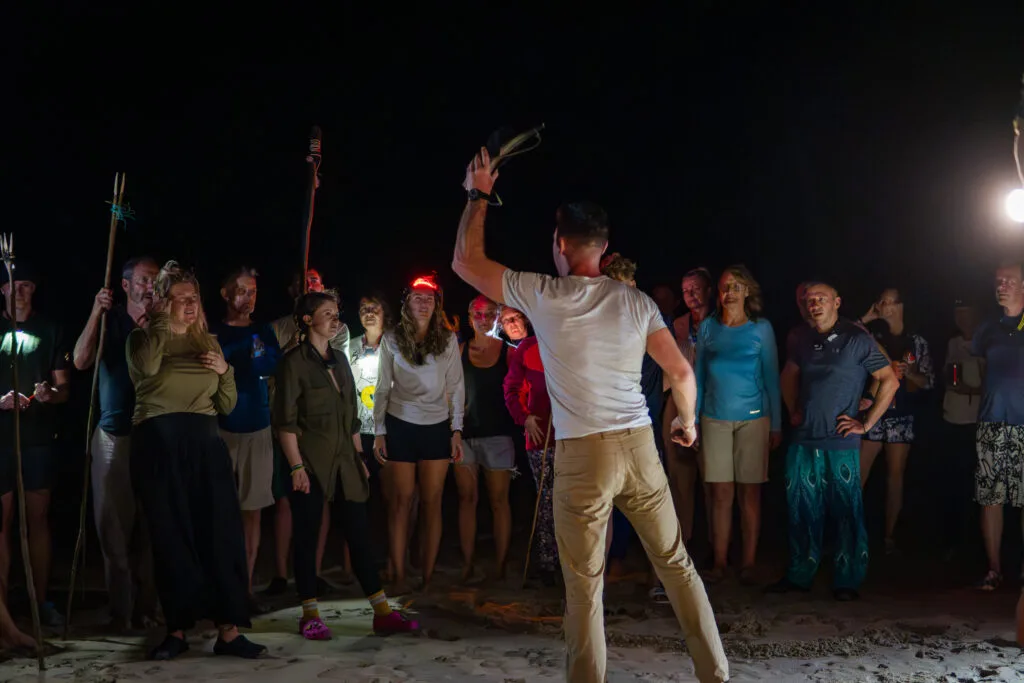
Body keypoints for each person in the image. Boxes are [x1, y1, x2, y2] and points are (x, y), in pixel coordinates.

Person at [453, 146, 728, 683]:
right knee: (676, 566)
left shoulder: (544, 293)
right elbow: (683, 375)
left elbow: (466, 263)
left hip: (582, 456)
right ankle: (714, 673)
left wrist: (477, 194)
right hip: (639, 446)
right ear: (605, 248)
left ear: (560, 245)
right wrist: (687, 421)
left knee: (584, 585)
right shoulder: (637, 302)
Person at [127, 261, 264, 660]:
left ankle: (229, 631)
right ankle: (177, 630)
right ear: (163, 301)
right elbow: (147, 368)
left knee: (220, 535)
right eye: (179, 299)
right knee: (172, 537)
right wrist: (159, 322)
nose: (189, 305)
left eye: (193, 298)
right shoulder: (142, 338)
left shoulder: (208, 342)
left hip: (206, 444)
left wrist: (225, 371)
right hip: (160, 444)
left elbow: (227, 403)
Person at [273, 291, 418, 638]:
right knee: (307, 536)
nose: (335, 319)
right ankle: (309, 613)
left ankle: (381, 612)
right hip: (310, 461)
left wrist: (359, 458)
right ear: (308, 320)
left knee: (359, 534)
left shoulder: (339, 359)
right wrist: (296, 468)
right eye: (327, 313)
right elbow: (286, 422)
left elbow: (351, 416)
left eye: (336, 313)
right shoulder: (293, 362)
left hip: (345, 460)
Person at [771, 282, 898, 601]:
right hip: (803, 437)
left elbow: (889, 379)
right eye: (810, 300)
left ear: (837, 302)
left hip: (840, 439)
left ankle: (847, 580)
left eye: (822, 299)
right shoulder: (799, 336)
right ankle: (800, 574)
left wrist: (866, 422)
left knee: (845, 512)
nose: (814, 304)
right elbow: (788, 374)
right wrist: (792, 410)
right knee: (800, 508)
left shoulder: (856, 338)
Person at [72, 256, 160, 629]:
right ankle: (121, 613)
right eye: (142, 280)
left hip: (154, 436)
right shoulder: (111, 321)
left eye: (155, 280)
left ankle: (148, 610)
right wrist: (95, 311)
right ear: (125, 285)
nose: (149, 286)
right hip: (114, 435)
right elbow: (80, 361)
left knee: (153, 529)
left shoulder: (163, 325)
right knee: (113, 529)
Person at [373, 275, 465, 592]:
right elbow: (383, 386)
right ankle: (398, 574)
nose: (423, 303)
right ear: (406, 304)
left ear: (437, 304)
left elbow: (456, 386)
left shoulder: (448, 340)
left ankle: (427, 577)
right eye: (417, 297)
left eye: (429, 298)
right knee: (400, 502)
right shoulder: (392, 339)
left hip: (437, 426)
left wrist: (456, 430)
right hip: (400, 423)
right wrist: (379, 430)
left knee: (432, 502)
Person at [695, 265, 781, 584]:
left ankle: (747, 562)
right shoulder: (708, 328)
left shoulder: (761, 329)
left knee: (750, 495)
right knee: (719, 493)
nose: (728, 292)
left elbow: (772, 376)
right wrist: (693, 420)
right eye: (723, 287)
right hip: (714, 418)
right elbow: (699, 379)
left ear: (747, 291)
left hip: (754, 418)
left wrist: (776, 425)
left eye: (735, 286)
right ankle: (719, 561)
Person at [264, 268, 346, 596]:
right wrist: (291, 348)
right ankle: (283, 573)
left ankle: (312, 570)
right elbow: (270, 370)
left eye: (314, 281)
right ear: (292, 289)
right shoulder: (277, 327)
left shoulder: (337, 327)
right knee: (286, 499)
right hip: (286, 423)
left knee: (320, 499)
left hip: (320, 428)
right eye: (303, 282)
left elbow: (334, 364)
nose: (310, 285)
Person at [0, 261, 70, 627]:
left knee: (37, 519)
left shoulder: (50, 329)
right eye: (16, 285)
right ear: (4, 290)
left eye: (28, 285)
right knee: (2, 520)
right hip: (0, 441)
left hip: (39, 439)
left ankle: (40, 601)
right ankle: (3, 613)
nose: (22, 291)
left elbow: (63, 388)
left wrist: (48, 393)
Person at [209, 267, 281, 607]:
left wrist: (256, 355)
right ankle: (222, 585)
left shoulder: (263, 330)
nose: (248, 298)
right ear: (225, 294)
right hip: (221, 428)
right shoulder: (213, 331)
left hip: (257, 427)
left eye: (253, 291)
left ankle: (246, 586)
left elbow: (269, 365)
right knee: (222, 511)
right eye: (241, 291)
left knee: (252, 509)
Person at [858, 288, 934, 553]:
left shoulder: (917, 341)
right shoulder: (872, 336)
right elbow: (846, 333)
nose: (884, 305)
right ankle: (845, 531)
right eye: (881, 300)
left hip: (902, 414)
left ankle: (889, 537)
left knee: (895, 476)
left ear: (901, 305)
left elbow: (928, 382)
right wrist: (867, 317)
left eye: (889, 301)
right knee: (858, 474)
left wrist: (911, 374)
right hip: (873, 414)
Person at [970, 262, 1024, 591]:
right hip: (991, 421)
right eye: (998, 281)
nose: (1002, 285)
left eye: (1010, 281)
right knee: (991, 496)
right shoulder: (987, 327)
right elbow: (975, 367)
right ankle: (994, 569)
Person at [456, 295, 517, 582]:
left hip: (499, 435)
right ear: (470, 318)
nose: (483, 318)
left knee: (499, 501)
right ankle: (467, 564)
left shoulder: (509, 351)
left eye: (489, 313)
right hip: (466, 436)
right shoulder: (459, 350)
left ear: (497, 317)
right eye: (478, 313)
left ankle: (501, 565)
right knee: (467, 499)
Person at [501, 305, 559, 585]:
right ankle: (548, 563)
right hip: (540, 437)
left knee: (570, 499)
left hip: (572, 434)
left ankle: (573, 561)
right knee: (545, 499)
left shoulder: (564, 342)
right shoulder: (528, 348)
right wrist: (525, 418)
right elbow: (511, 389)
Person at [663, 267, 715, 549]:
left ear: (708, 290)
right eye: (685, 290)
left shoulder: (722, 323)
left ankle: (713, 543)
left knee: (712, 476)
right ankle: (684, 541)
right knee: (679, 476)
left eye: (695, 288)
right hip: (677, 400)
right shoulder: (676, 325)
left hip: (712, 403)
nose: (690, 295)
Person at [939, 300, 983, 560]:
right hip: (952, 417)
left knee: (975, 483)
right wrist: (952, 380)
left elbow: (992, 381)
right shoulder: (953, 343)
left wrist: (972, 389)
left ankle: (977, 543)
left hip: (977, 420)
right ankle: (952, 542)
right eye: (958, 314)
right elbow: (949, 374)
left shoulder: (985, 343)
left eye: (967, 313)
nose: (962, 319)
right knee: (952, 482)